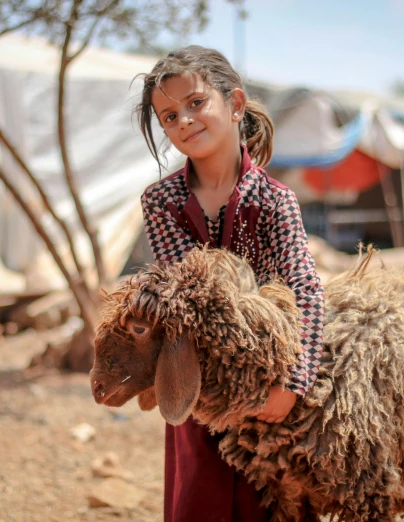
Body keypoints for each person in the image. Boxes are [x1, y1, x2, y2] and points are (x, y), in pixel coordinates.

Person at [135, 46, 325, 522]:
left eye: (196, 103)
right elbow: (192, 297)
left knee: (275, 500)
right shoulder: (161, 202)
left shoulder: (276, 201)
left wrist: (293, 383)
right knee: (201, 495)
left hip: (270, 388)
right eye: (169, 116)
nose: (184, 120)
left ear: (235, 104)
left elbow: (305, 287)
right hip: (198, 387)